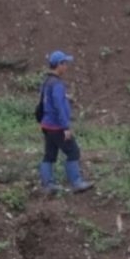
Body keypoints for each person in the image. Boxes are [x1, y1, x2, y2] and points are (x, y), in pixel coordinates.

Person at [38, 51, 94, 194]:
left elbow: (46, 102)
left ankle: (47, 184)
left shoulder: (46, 81)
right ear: (59, 65)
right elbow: (58, 106)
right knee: (73, 152)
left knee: (49, 154)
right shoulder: (57, 84)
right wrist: (65, 127)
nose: (67, 67)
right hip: (57, 126)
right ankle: (76, 182)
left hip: (46, 124)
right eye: (65, 63)